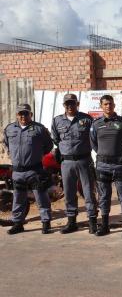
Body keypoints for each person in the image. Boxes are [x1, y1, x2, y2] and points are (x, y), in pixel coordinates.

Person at [3, 103, 54, 234]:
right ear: (17, 115)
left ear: (31, 114)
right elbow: (7, 144)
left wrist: (37, 154)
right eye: (20, 114)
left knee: (41, 198)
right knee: (18, 198)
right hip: (18, 172)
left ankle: (46, 223)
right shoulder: (9, 129)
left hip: (35, 171)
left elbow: (48, 146)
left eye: (26, 113)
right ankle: (18, 224)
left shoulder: (39, 129)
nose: (23, 116)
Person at [51, 93, 98, 234]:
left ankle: (92, 220)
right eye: (67, 104)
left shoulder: (87, 119)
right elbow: (56, 139)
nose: (70, 106)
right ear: (64, 105)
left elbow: (94, 138)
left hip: (84, 161)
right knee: (69, 192)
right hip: (66, 163)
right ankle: (71, 222)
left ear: (77, 104)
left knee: (89, 191)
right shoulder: (57, 121)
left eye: (72, 103)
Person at [90, 94, 122, 237]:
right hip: (102, 166)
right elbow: (93, 143)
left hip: (119, 165)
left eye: (110, 104)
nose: (108, 106)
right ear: (101, 106)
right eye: (105, 104)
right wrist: (104, 154)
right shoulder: (96, 124)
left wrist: (120, 154)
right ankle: (105, 225)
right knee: (104, 196)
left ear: (114, 105)